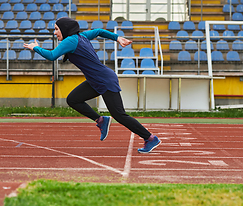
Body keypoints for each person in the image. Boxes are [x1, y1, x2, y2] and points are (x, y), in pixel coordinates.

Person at [23, 17, 161, 153]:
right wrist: (117, 38)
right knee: (73, 99)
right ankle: (101, 120)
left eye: (56, 29)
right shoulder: (81, 36)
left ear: (65, 29)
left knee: (119, 115)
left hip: (104, 80)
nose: (54, 33)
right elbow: (99, 31)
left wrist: (36, 48)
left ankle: (150, 138)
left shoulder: (70, 40)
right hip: (95, 80)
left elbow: (52, 55)